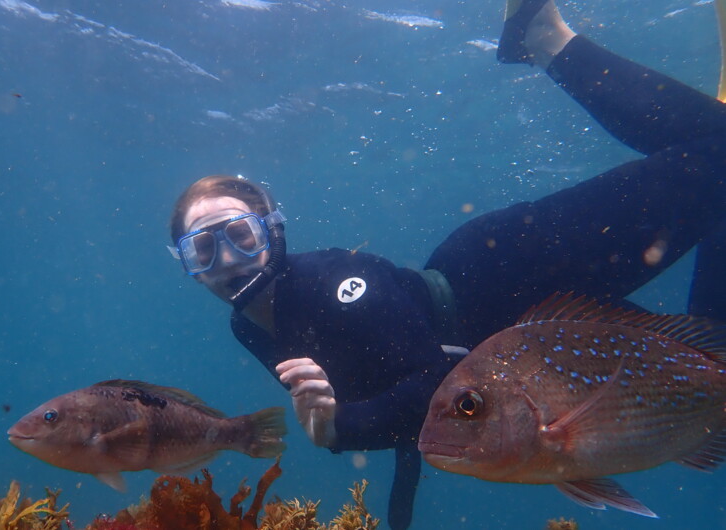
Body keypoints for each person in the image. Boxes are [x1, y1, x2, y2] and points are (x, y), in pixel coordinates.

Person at [166, 1, 726, 528]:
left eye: (240, 235)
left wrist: (338, 429)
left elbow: (426, 379)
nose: (229, 262)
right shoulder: (247, 325)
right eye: (203, 250)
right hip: (519, 335)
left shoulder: (329, 283)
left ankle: (547, 40)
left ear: (274, 232)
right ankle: (563, 52)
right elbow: (397, 409)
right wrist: (339, 425)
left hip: (509, 267)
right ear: (187, 266)